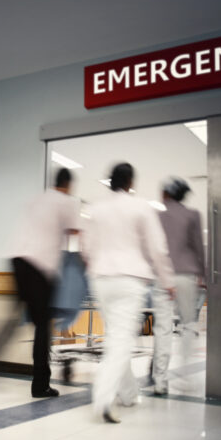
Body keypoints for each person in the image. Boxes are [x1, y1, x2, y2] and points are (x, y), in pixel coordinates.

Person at [82, 163, 175, 423]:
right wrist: (167, 279)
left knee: (115, 337)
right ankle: (103, 398)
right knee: (121, 341)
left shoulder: (95, 209)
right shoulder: (141, 207)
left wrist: (96, 265)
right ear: (130, 182)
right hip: (130, 279)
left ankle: (128, 394)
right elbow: (157, 248)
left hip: (100, 279)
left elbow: (85, 247)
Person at [0, 167, 80, 398]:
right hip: (39, 266)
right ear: (68, 185)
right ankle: (40, 385)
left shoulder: (36, 200)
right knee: (43, 326)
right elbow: (77, 231)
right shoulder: (66, 201)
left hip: (16, 260)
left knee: (17, 318)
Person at [150, 177, 206, 395]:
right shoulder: (193, 215)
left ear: (167, 194)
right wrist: (204, 275)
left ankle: (160, 380)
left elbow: (153, 248)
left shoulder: (158, 217)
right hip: (186, 276)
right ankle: (185, 373)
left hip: (162, 276)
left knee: (162, 328)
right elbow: (198, 248)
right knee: (189, 324)